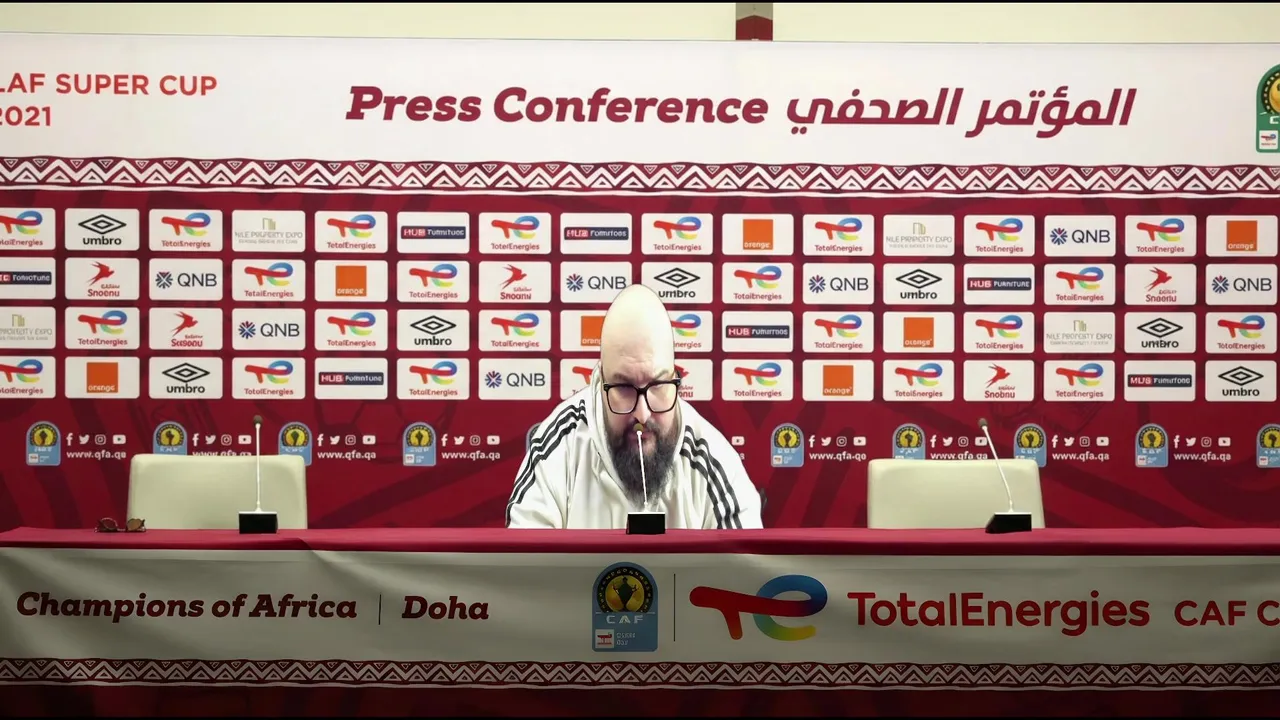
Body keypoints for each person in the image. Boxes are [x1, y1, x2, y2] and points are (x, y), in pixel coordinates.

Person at [506, 283, 763, 530]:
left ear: (675, 378)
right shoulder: (557, 450)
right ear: (600, 383)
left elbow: (742, 560)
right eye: (623, 388)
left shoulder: (715, 466)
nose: (642, 414)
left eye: (657, 385)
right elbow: (524, 558)